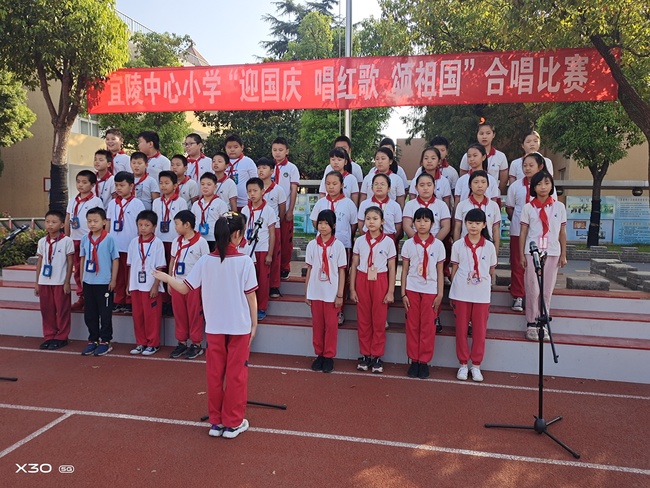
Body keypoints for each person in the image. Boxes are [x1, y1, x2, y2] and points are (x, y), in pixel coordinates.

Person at [154, 212, 258, 439]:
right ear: (237, 234)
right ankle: (233, 422)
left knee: (214, 374)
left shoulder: (205, 261)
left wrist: (166, 278)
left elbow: (184, 288)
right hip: (238, 326)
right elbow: (251, 296)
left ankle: (216, 422)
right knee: (236, 375)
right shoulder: (244, 261)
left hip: (214, 327)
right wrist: (254, 324)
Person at [450, 208, 497, 382]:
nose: (473, 226)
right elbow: (454, 268)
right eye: (470, 223)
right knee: (461, 330)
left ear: (484, 225)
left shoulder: (489, 246)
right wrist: (454, 290)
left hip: (481, 295)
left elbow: (491, 270)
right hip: (461, 292)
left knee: (479, 331)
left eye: (477, 223)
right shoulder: (458, 245)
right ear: (465, 224)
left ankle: (476, 365)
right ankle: (463, 364)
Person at [520, 171, 567, 341]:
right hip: (532, 252)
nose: (543, 187)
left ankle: (543, 322)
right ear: (533, 187)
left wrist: (564, 253)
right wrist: (521, 254)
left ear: (552, 185)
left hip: (552, 251)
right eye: (539, 184)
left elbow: (562, 232)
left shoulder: (559, 207)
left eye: (547, 183)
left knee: (547, 290)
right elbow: (523, 232)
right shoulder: (528, 208)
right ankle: (531, 322)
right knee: (533, 288)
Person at [349, 206, 396, 374]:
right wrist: (352, 288)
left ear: (382, 221)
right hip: (362, 279)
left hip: (380, 280)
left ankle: (377, 355)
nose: (371, 222)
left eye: (375, 219)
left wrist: (390, 291)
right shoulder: (360, 241)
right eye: (368, 218)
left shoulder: (388, 242)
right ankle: (365, 354)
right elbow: (354, 264)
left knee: (379, 320)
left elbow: (392, 267)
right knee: (363, 320)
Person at [400, 207, 445, 379]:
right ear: (413, 223)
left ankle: (424, 361)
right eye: (418, 221)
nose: (422, 224)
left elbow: (440, 271)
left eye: (426, 221)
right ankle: (414, 360)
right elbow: (404, 270)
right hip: (412, 289)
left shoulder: (438, 245)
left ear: (432, 224)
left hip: (430, 291)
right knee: (412, 326)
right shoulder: (408, 244)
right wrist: (403, 293)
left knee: (427, 326)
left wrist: (440, 294)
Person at [506, 152, 553, 312]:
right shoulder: (515, 186)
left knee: (538, 264)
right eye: (525, 165)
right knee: (518, 263)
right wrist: (521, 223)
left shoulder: (547, 186)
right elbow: (510, 208)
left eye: (531, 165)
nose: (527, 168)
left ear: (540, 167)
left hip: (540, 234)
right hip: (518, 231)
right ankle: (518, 295)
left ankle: (538, 297)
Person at [304, 209, 346, 373]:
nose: (322, 226)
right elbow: (309, 269)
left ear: (333, 226)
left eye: (326, 223)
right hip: (316, 292)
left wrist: (340, 294)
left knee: (331, 326)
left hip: (331, 293)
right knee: (318, 325)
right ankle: (319, 354)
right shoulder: (312, 245)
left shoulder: (338, 246)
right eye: (320, 223)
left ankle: (329, 356)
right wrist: (307, 291)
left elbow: (341, 271)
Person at [168, 210, 210, 359]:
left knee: (194, 315)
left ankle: (196, 343)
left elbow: (206, 265)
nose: (175, 227)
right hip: (177, 283)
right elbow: (173, 261)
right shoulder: (176, 241)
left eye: (177, 224)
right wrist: (170, 280)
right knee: (179, 314)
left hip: (194, 285)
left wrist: (204, 286)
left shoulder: (201, 242)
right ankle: (181, 342)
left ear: (187, 225)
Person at [79, 207, 120, 356]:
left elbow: (115, 259)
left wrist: (113, 279)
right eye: (89, 221)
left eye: (95, 221)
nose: (92, 224)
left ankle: (105, 341)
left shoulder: (109, 239)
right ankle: (93, 340)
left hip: (104, 282)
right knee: (90, 313)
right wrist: (82, 278)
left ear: (104, 222)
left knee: (105, 313)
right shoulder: (85, 239)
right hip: (88, 281)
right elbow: (82, 258)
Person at [127, 210, 167, 356]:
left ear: (154, 226)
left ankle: (153, 343)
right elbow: (130, 265)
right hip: (136, 285)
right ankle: (141, 342)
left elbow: (160, 267)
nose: (143, 228)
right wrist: (128, 284)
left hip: (150, 286)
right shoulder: (133, 242)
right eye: (140, 225)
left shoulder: (157, 243)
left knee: (152, 316)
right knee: (138, 316)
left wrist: (155, 286)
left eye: (147, 225)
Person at [34, 210, 74, 350]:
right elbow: (40, 262)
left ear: (62, 224)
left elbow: (70, 262)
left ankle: (62, 336)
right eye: (47, 222)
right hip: (44, 281)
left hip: (60, 282)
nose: (50, 225)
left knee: (62, 310)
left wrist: (67, 282)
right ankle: (49, 336)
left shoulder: (67, 241)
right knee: (47, 310)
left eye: (54, 222)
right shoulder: (42, 241)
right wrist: (37, 282)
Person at [106, 171, 145, 313]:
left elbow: (140, 224)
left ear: (131, 186)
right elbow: (108, 222)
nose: (118, 188)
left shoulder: (137, 203)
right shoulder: (112, 204)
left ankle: (129, 301)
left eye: (122, 185)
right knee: (118, 274)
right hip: (115, 245)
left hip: (130, 244)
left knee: (129, 273)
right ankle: (119, 300)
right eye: (116, 185)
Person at [65, 170, 103, 311]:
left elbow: (99, 221)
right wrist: (67, 238)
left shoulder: (96, 201)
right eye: (78, 182)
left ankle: (92, 297)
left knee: (90, 269)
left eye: (84, 182)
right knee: (77, 270)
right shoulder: (72, 200)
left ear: (92, 185)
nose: (80, 185)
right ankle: (82, 296)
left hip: (89, 240)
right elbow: (68, 219)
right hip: (74, 239)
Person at [242, 177, 277, 321]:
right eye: (249, 191)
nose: (252, 194)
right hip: (247, 251)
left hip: (262, 250)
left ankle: (261, 308)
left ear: (263, 191)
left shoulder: (269, 210)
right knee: (248, 280)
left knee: (262, 281)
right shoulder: (245, 209)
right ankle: (247, 307)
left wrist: (270, 254)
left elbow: (272, 234)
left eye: (255, 191)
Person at [257, 157, 287, 299]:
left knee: (274, 255)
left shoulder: (278, 190)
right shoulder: (255, 188)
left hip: (274, 227)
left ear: (272, 171)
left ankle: (274, 286)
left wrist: (275, 222)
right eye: (259, 168)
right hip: (258, 228)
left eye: (264, 168)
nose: (261, 171)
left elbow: (282, 210)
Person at [270, 137, 300, 280]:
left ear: (287, 151)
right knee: (272, 240)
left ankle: (284, 267)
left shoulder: (291, 168)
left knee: (285, 241)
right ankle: (272, 266)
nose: (277, 153)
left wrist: (290, 210)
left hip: (285, 210)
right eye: (275, 150)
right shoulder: (268, 167)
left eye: (280, 150)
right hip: (270, 212)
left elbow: (293, 190)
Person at [453, 170, 501, 250]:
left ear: (488, 185)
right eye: (476, 182)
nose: (480, 185)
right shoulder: (462, 205)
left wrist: (495, 251)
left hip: (487, 247)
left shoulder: (493, 206)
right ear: (470, 185)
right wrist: (456, 248)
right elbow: (457, 228)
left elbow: (495, 230)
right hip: (465, 248)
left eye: (483, 182)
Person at [459, 120, 508, 194]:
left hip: (492, 194)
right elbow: (463, 176)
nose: (484, 137)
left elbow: (503, 181)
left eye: (488, 133)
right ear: (477, 135)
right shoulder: (467, 156)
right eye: (481, 133)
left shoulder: (500, 156)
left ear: (493, 135)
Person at [403, 173, 451, 241]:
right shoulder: (410, 205)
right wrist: (419, 241)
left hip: (436, 242)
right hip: (414, 242)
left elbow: (446, 227)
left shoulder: (442, 205)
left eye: (429, 185)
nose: (425, 188)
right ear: (416, 187)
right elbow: (406, 226)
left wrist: (434, 243)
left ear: (434, 187)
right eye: (422, 185)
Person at [152, 170, 188, 263]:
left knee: (172, 263)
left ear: (175, 186)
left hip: (174, 238)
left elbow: (184, 221)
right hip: (159, 238)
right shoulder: (156, 202)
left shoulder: (181, 202)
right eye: (161, 183)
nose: (163, 186)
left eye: (166, 183)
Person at [357, 173, 403, 244]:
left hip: (389, 240)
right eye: (376, 184)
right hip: (368, 240)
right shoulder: (364, 204)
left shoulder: (395, 205)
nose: (379, 187)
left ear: (388, 188)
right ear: (372, 188)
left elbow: (398, 226)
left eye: (382, 184)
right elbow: (361, 224)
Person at [191, 172, 229, 253]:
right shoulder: (196, 204)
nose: (205, 187)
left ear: (215, 187)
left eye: (209, 184)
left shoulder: (220, 203)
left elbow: (225, 222)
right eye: (202, 184)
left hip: (214, 238)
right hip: (198, 238)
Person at [224, 134, 258, 211]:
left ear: (242, 147)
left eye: (235, 147)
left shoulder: (248, 162)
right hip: (226, 203)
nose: (232, 150)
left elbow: (256, 181)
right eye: (229, 147)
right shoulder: (222, 162)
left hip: (244, 203)